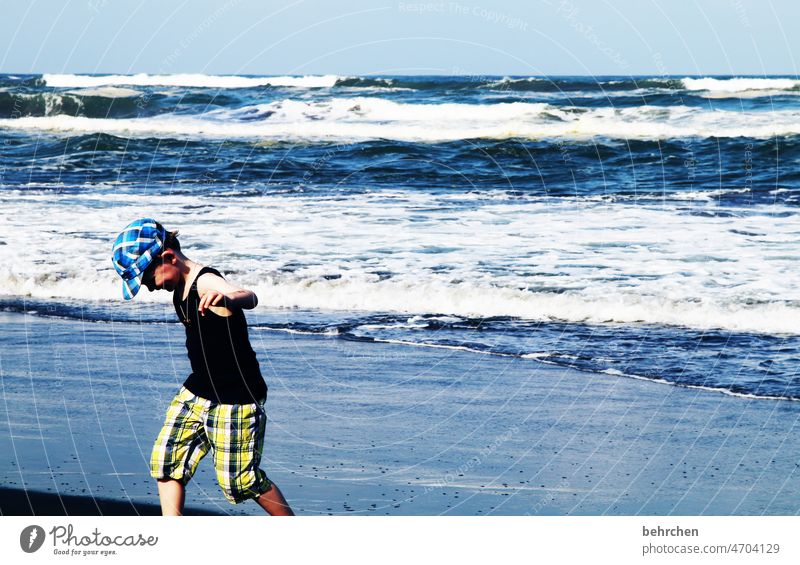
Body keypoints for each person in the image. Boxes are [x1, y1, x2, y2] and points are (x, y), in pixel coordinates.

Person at [111, 218, 293, 516]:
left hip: (236, 398)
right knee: (166, 459)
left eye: (146, 279)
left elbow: (249, 296)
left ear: (167, 258)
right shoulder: (177, 288)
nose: (148, 287)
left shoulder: (205, 281)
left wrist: (228, 297)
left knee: (241, 482)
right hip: (197, 390)